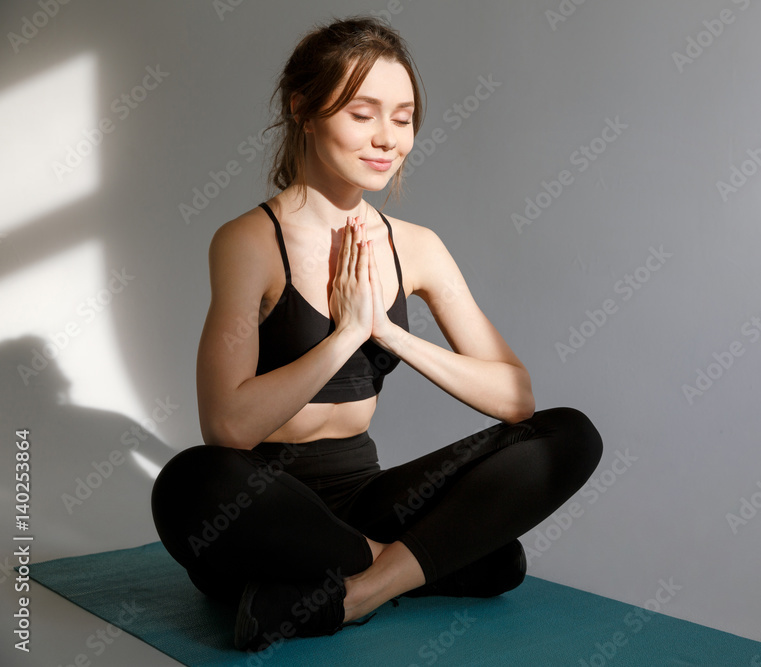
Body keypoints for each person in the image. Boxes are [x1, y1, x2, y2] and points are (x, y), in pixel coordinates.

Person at [150, 15, 603, 653]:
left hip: (365, 497)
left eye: (403, 116)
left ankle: (355, 590)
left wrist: (389, 334)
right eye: (363, 114)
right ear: (303, 109)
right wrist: (344, 336)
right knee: (190, 483)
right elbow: (226, 428)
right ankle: (400, 566)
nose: (387, 138)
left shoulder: (417, 248)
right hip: (265, 504)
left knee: (570, 434)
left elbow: (516, 398)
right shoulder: (249, 242)